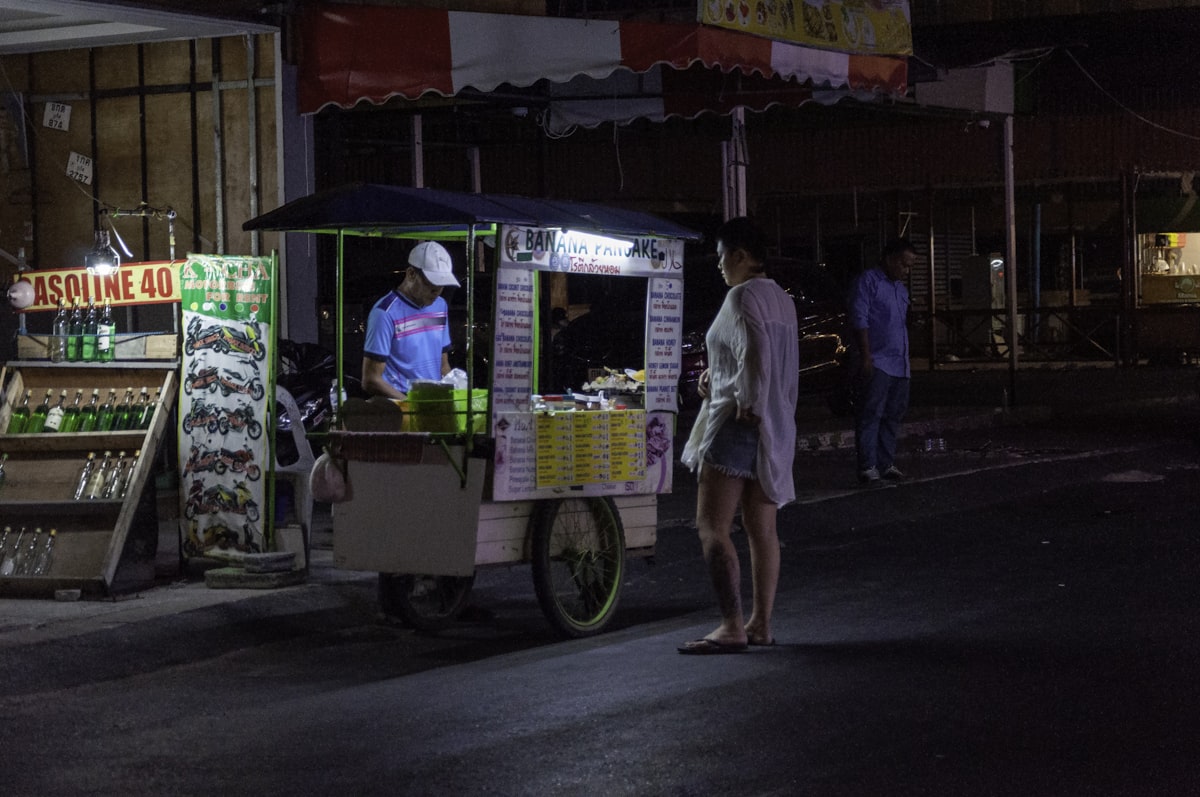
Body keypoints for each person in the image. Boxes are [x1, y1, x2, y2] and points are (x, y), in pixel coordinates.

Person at [677, 216, 799, 654]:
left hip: (737, 423)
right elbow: (757, 357)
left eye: (721, 256)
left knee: (711, 526)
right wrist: (722, 376)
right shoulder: (782, 299)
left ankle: (731, 625)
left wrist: (746, 396)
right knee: (761, 528)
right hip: (774, 427)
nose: (718, 265)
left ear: (741, 256)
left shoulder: (741, 296)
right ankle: (760, 623)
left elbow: (756, 354)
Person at [851, 238, 915, 485]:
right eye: (903, 264)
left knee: (893, 414)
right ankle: (868, 466)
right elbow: (860, 318)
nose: (906, 271)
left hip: (900, 362)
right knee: (871, 413)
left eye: (910, 266)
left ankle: (886, 462)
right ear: (889, 258)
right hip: (878, 359)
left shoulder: (900, 288)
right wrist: (866, 355)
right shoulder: (868, 281)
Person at [361, 241, 460, 400]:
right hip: (399, 405)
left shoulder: (440, 306)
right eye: (431, 282)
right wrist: (411, 405)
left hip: (431, 403)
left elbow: (443, 366)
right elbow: (371, 380)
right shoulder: (384, 313)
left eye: (442, 284)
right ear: (411, 274)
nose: (436, 290)